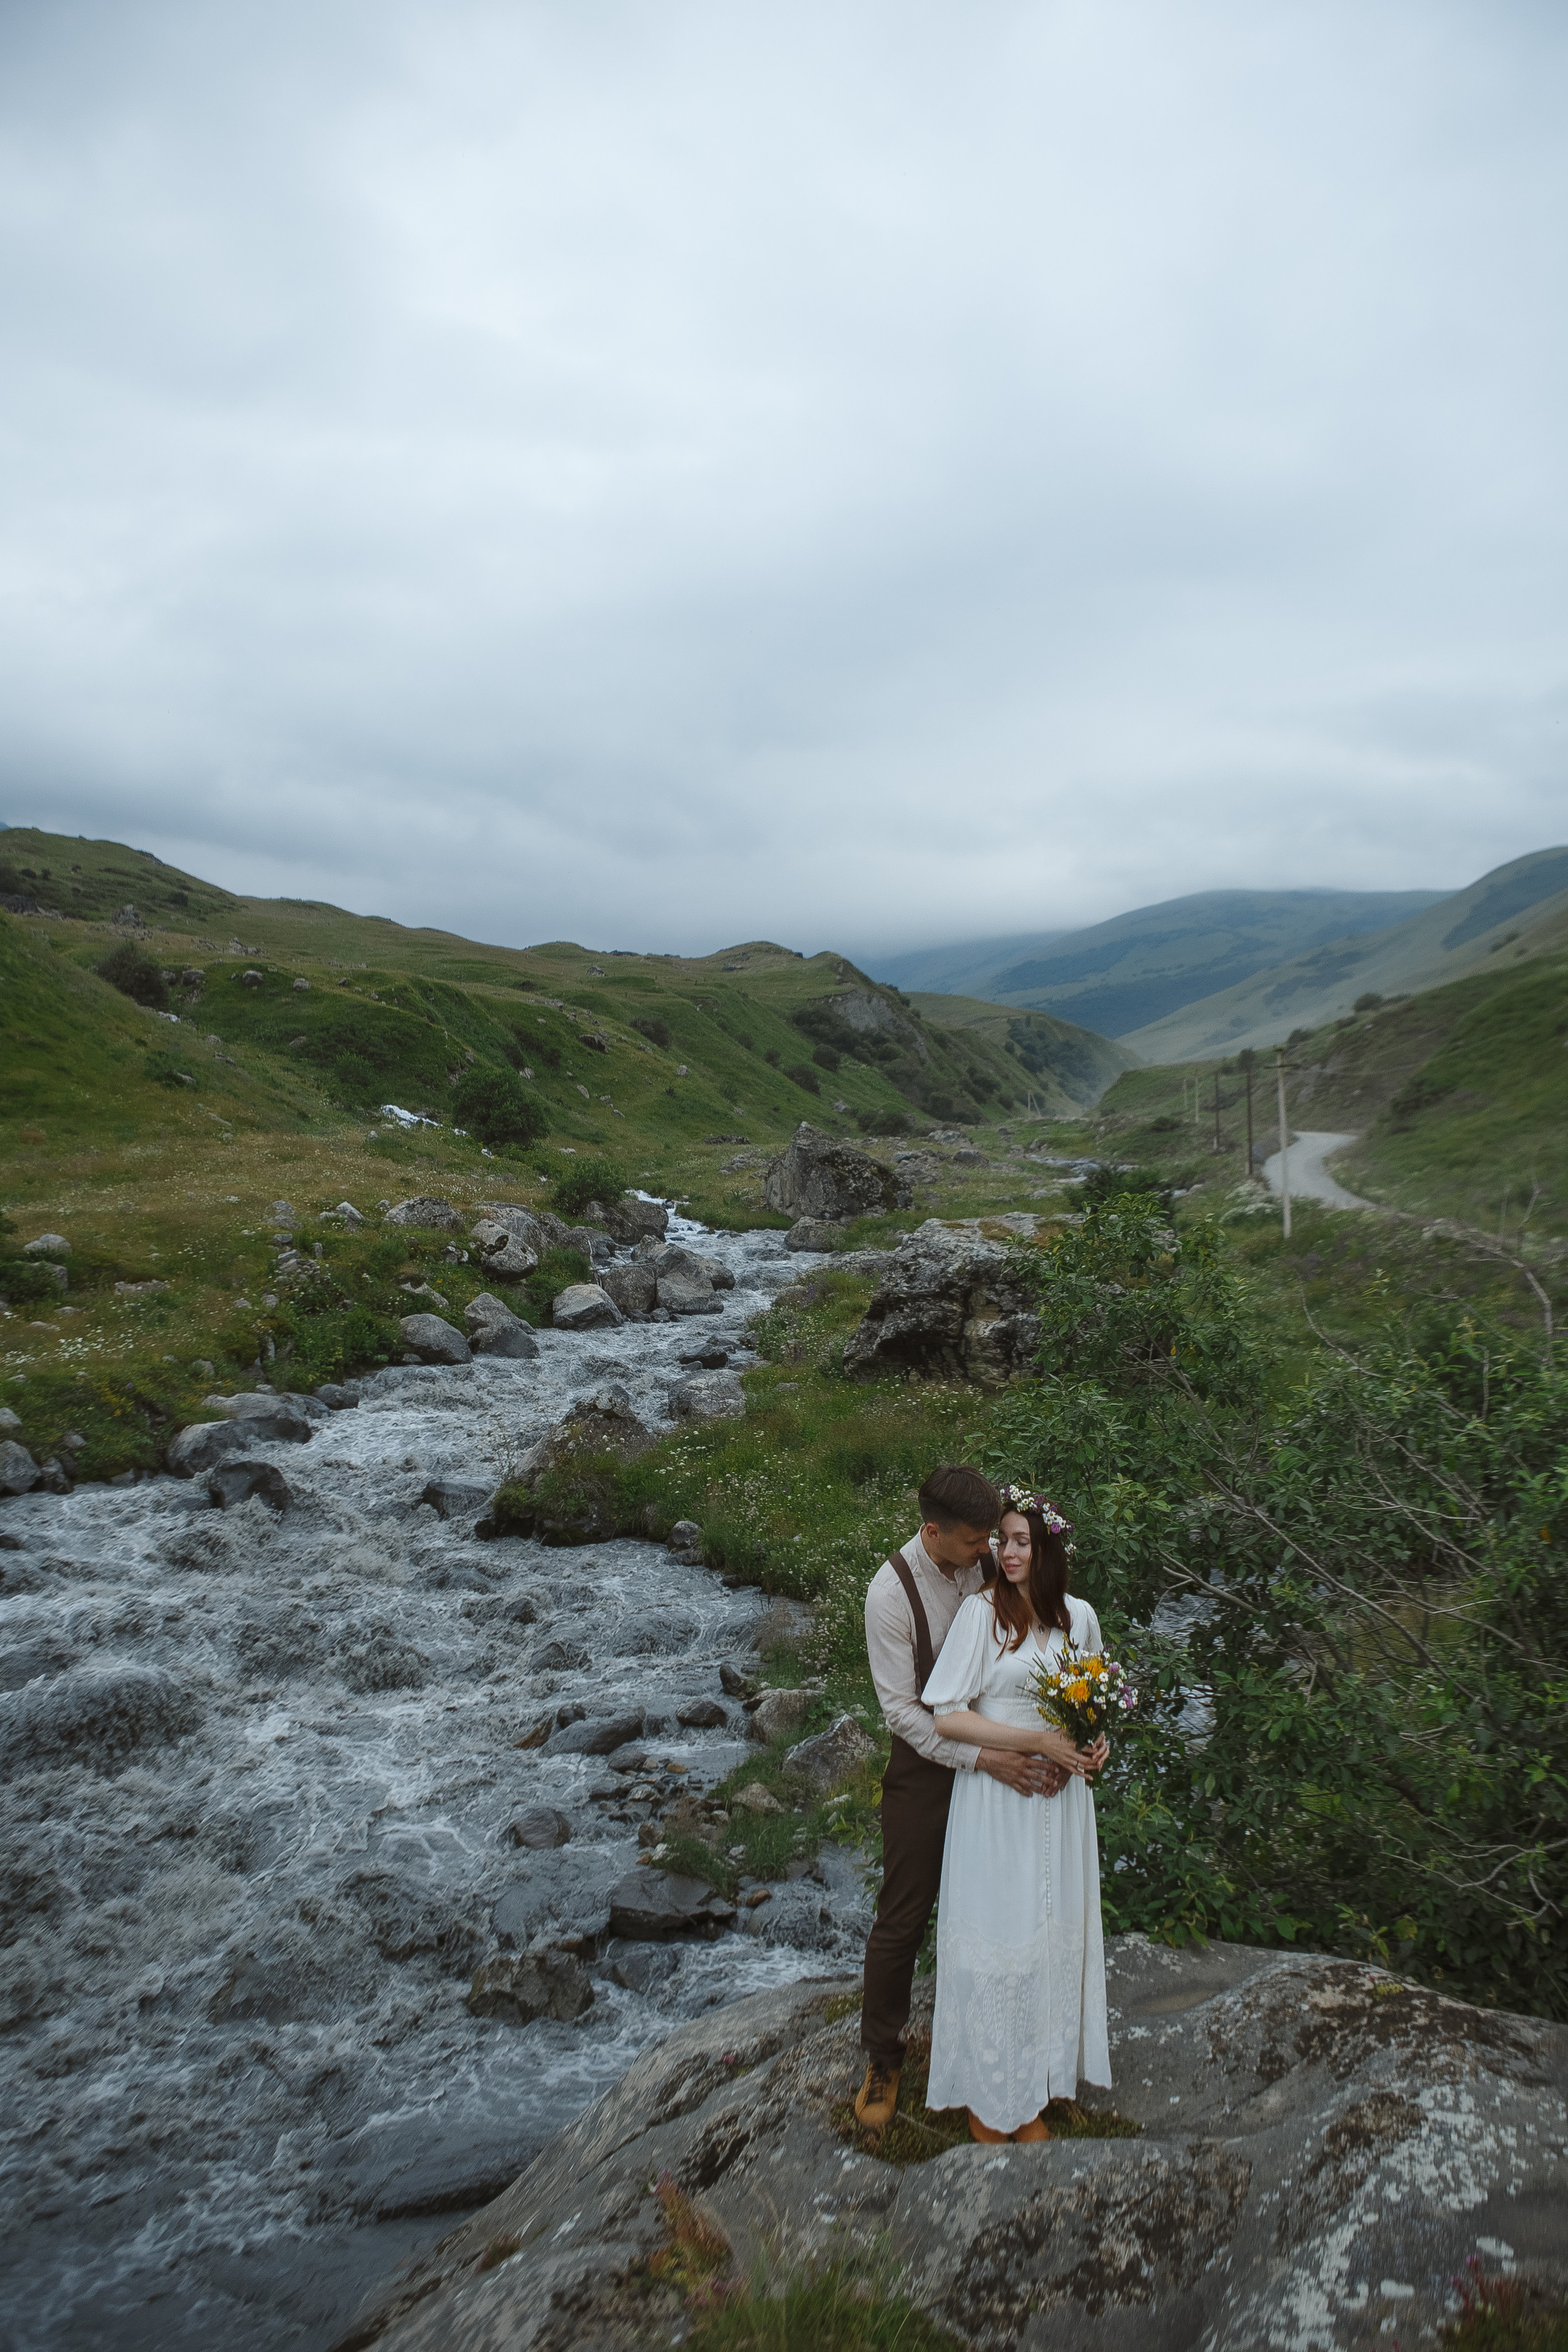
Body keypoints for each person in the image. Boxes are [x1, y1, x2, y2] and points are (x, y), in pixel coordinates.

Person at [854, 1465, 1068, 2135]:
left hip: (1000, 1752)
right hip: (928, 1770)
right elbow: (903, 1715)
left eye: (994, 1539)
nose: (991, 1553)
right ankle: (883, 2057)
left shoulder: (985, 1566)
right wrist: (985, 1758)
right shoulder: (889, 1596)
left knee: (1010, 1912)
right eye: (978, 1541)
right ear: (932, 1532)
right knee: (904, 1914)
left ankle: (1012, 2060)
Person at [921, 1484, 1111, 2142]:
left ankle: (1034, 2094)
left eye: (1020, 1540)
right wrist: (1034, 1741)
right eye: (1000, 1540)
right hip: (999, 1804)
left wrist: (1091, 1746)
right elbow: (947, 1716)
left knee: (1047, 1942)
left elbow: (1092, 1704)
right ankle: (986, 2102)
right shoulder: (982, 1615)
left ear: (1047, 1547)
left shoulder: (1077, 1619)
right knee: (999, 1943)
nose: (1005, 1551)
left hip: (1060, 1809)